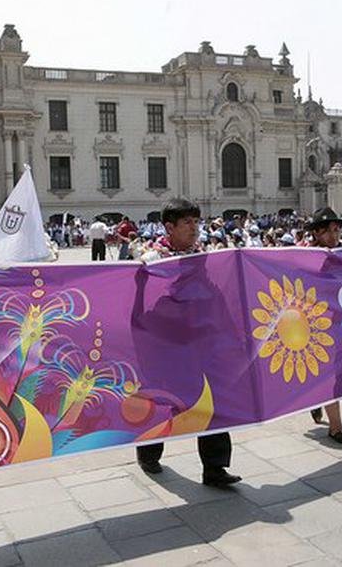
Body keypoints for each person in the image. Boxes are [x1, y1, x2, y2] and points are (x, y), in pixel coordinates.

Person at [135, 198, 241, 487]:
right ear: (169, 227)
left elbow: (214, 292)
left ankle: (215, 467)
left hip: (202, 342)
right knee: (163, 400)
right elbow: (144, 301)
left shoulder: (203, 256)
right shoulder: (153, 260)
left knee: (213, 401)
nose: (194, 228)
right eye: (187, 222)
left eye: (196, 222)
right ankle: (148, 452)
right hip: (166, 345)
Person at [304, 208, 342, 444]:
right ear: (316, 233)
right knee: (328, 374)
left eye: (336, 230)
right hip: (315, 326)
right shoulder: (305, 257)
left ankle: (315, 399)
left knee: (336, 374)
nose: (334, 235)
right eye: (328, 231)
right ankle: (336, 427)